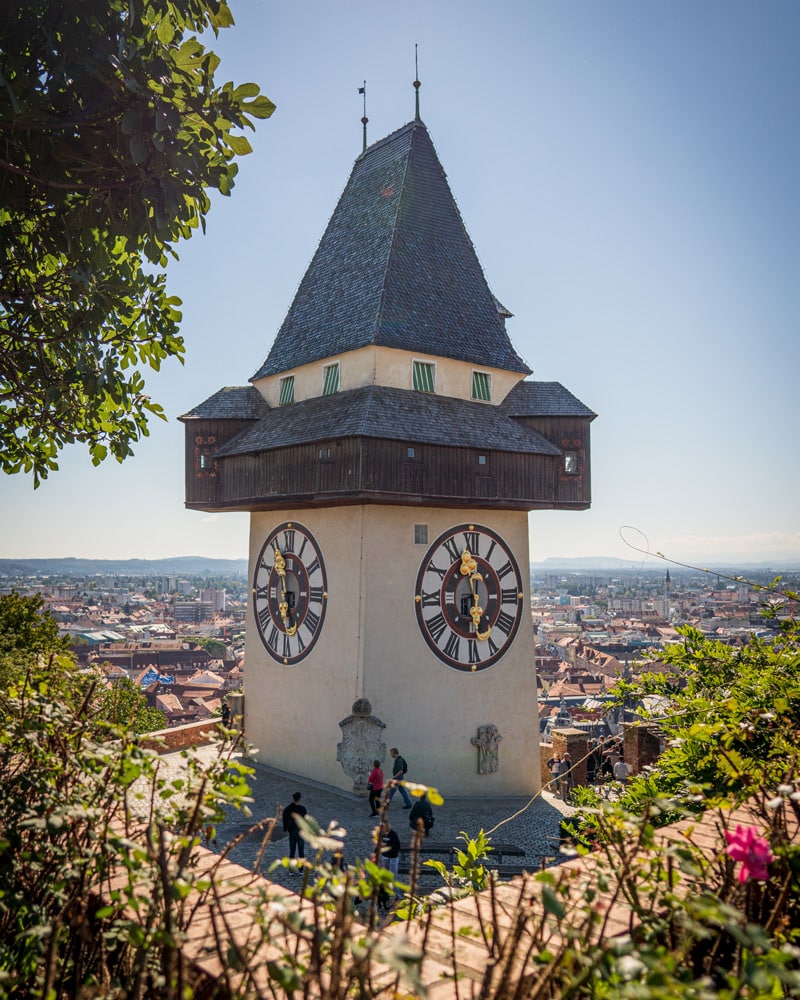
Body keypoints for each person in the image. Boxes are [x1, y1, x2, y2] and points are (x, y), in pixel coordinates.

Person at [379, 820, 402, 905]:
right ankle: (386, 894)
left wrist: (388, 846)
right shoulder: (381, 834)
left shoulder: (393, 834)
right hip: (385, 856)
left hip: (393, 857)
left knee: (393, 876)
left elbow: (397, 846)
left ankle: (398, 895)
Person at [282, 791, 307, 863]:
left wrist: (287, 828)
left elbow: (285, 816)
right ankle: (301, 869)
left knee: (292, 852)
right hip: (300, 833)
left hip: (292, 833)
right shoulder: (302, 809)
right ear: (299, 799)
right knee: (301, 852)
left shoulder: (289, 809)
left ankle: (291, 869)